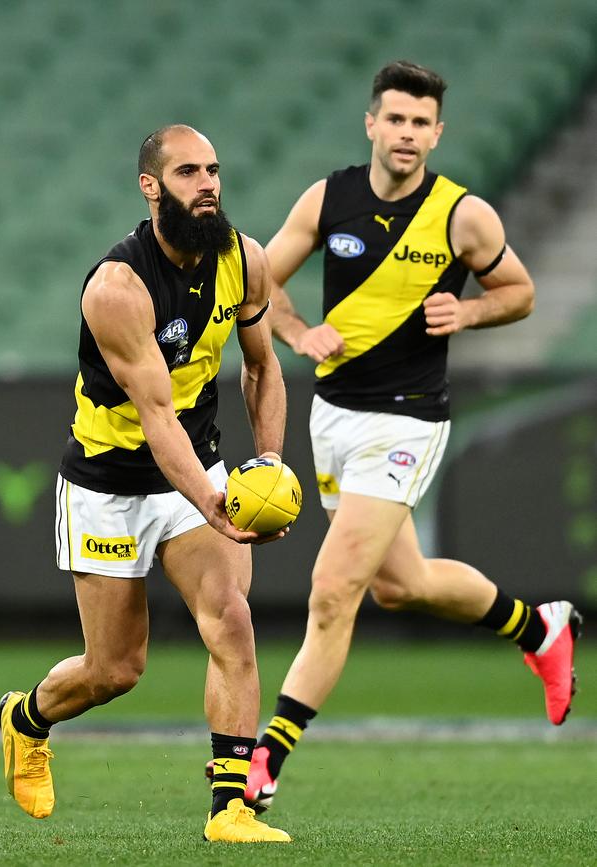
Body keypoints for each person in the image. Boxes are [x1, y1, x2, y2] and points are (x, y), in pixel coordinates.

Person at [207, 60, 582, 811]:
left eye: (422, 123)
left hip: (408, 418)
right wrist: (295, 329)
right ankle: (539, 626)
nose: (408, 134)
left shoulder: (462, 216)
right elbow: (257, 281)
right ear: (371, 123)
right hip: (335, 416)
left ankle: (263, 763)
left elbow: (520, 292)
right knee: (399, 583)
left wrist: (469, 313)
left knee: (333, 589)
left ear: (437, 134)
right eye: (397, 119)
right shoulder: (330, 197)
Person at [0, 125, 292, 843]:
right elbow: (156, 417)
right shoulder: (117, 288)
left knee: (231, 619)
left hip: (196, 467)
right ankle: (25, 718)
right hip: (109, 483)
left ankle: (231, 809)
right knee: (114, 669)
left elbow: (261, 368)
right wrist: (215, 504)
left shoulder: (243, 259)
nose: (208, 184)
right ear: (151, 186)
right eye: (189, 171)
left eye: (215, 170)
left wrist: (270, 469)